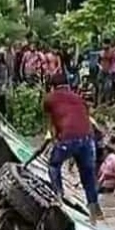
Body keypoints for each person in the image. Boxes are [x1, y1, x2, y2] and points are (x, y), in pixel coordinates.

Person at [42, 73, 103, 221]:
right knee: (88, 177)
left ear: (52, 87)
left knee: (54, 165)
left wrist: (54, 139)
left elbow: (52, 125)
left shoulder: (49, 99)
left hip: (68, 138)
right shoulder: (78, 98)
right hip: (88, 139)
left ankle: (58, 196)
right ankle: (94, 210)